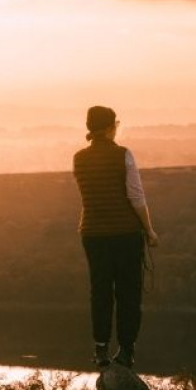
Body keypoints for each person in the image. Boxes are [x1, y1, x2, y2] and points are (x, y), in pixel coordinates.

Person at [73, 106, 160, 370]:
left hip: (92, 233)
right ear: (111, 127)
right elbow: (135, 197)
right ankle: (126, 350)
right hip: (124, 234)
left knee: (99, 291)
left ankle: (101, 348)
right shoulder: (123, 155)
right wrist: (149, 230)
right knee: (128, 292)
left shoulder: (79, 158)